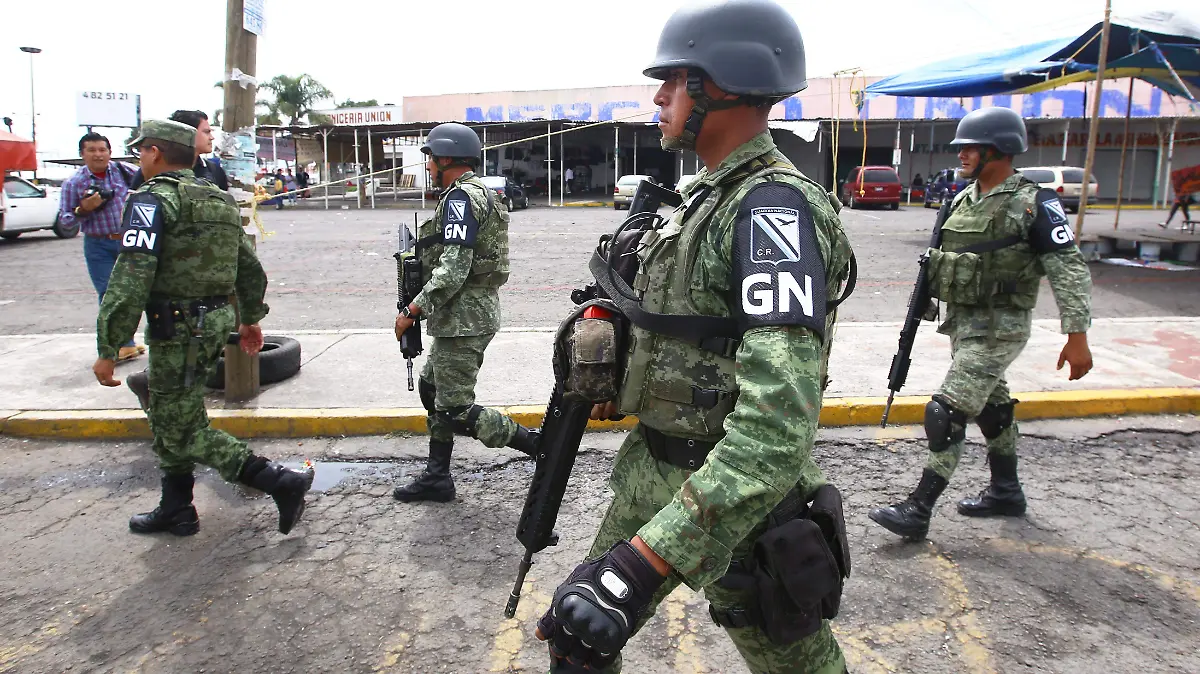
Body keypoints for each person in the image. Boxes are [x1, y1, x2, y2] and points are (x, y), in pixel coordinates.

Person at [533, 2, 856, 672]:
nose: (659, 95)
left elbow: (776, 428)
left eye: (676, 79)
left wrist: (640, 566)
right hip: (652, 472)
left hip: (739, 501)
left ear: (727, 84)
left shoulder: (771, 213)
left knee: (799, 666)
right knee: (577, 640)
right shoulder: (700, 199)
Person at [868, 107, 1094, 541]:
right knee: (992, 407)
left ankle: (918, 508)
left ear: (999, 149)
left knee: (946, 410)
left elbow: (1068, 266)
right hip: (964, 323)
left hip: (1001, 326)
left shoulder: (1032, 201)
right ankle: (1006, 492)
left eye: (971, 147)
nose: (962, 155)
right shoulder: (960, 198)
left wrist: (1076, 335)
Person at [92, 119, 314, 537]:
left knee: (182, 425)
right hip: (211, 322)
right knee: (173, 413)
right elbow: (249, 267)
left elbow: (131, 277)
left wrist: (109, 345)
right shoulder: (218, 199)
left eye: (142, 151)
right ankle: (177, 507)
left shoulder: (151, 201)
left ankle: (278, 481)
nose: (140, 158)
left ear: (156, 153)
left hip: (176, 327)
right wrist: (250, 318)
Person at [392, 122, 541, 503]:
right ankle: (437, 475)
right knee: (432, 389)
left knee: (455, 408)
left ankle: (538, 446)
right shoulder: (476, 194)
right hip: (463, 315)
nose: (427, 166)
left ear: (446, 159)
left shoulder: (461, 199)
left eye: (430, 159)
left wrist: (413, 309)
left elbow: (453, 268)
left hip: (464, 319)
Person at [59, 132, 144, 362]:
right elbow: (65, 220)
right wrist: (83, 209)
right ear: (82, 154)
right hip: (98, 244)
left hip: (129, 240)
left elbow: (146, 182)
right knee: (109, 294)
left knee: (136, 293)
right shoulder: (74, 183)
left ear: (109, 152)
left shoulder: (124, 171)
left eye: (102, 150)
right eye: (92, 150)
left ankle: (131, 339)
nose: (98, 155)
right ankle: (116, 345)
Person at [130, 110, 229, 192]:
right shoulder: (150, 170)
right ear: (188, 133)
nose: (211, 138)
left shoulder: (215, 172)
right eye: (206, 132)